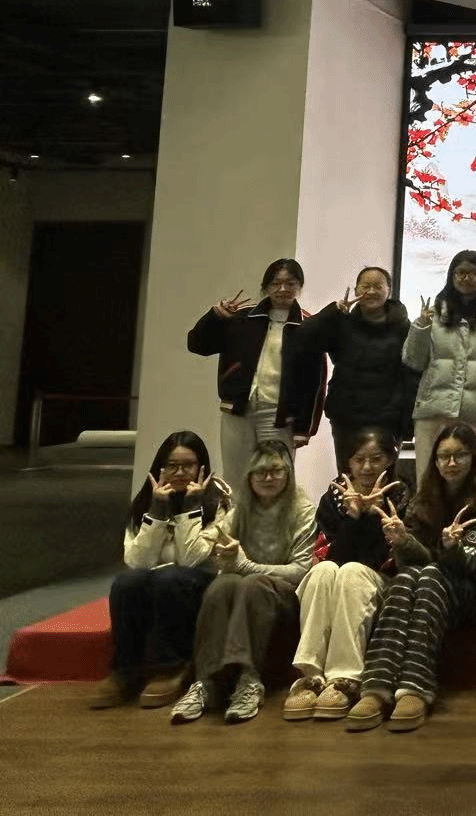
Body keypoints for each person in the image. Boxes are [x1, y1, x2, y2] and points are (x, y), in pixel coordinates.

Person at [346, 422, 476, 732]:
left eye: (460, 455)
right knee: (406, 578)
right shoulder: (423, 498)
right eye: (444, 456)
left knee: (430, 574)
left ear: (474, 457)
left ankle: (415, 687)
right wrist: (403, 541)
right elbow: (409, 563)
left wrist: (452, 548)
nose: (451, 463)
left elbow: (473, 566)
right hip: (427, 585)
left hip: (470, 591)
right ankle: (377, 686)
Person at [170, 440, 316, 725]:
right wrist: (224, 559)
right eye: (260, 472)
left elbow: (300, 570)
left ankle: (249, 679)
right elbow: (197, 554)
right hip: (245, 594)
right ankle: (206, 682)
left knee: (252, 583)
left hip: (284, 598)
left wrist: (246, 566)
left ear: (288, 474)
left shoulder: (303, 509)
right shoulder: (238, 510)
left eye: (276, 471)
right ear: (249, 477)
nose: (268, 478)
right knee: (222, 585)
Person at [283, 428, 409, 721]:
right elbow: (332, 557)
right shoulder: (334, 498)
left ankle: (345, 677)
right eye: (359, 459)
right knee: (323, 571)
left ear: (390, 459)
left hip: (383, 582)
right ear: (348, 463)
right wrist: (354, 517)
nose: (367, 467)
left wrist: (374, 514)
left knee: (352, 572)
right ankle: (310, 676)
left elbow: (382, 559)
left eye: (376, 459)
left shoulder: (401, 494)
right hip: (341, 574)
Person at [90, 432, 221, 710]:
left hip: (201, 582)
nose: (180, 473)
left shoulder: (219, 503)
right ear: (160, 468)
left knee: (170, 578)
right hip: (158, 578)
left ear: (202, 468)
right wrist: (158, 512)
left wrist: (190, 507)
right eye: (172, 465)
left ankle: (171, 666)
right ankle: (126, 669)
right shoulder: (145, 502)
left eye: (188, 465)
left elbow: (191, 559)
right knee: (127, 582)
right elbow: (138, 561)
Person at [187, 257, 326, 473]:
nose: (282, 289)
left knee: (276, 476)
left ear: (299, 286)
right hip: (238, 410)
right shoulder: (243, 317)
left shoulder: (308, 326)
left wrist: (304, 429)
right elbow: (197, 345)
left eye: (290, 283)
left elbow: (315, 382)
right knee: (235, 476)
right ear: (265, 287)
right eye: (275, 283)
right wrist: (215, 317)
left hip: (279, 415)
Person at [301, 267, 417, 473]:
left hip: (388, 417)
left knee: (384, 480)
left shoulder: (403, 326)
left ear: (389, 290)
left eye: (378, 286)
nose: (371, 291)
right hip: (347, 416)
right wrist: (333, 312)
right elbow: (304, 338)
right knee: (348, 477)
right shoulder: (342, 322)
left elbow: (411, 375)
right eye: (365, 286)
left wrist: (408, 423)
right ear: (355, 290)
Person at [404, 250, 476, 474]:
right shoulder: (433, 312)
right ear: (451, 276)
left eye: (473, 273)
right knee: (427, 479)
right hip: (432, 411)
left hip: (474, 412)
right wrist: (421, 327)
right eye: (460, 272)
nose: (466, 278)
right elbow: (413, 361)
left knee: (468, 481)